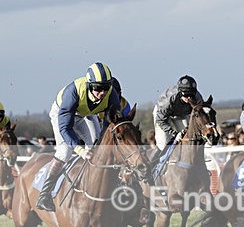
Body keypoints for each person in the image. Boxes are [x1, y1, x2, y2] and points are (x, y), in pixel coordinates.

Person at [36, 62, 130, 211]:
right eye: (98, 88)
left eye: (106, 87)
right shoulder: (72, 92)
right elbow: (65, 128)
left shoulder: (111, 95)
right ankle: (44, 194)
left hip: (86, 114)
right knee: (65, 151)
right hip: (63, 114)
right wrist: (80, 150)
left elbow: (108, 126)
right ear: (89, 85)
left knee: (96, 148)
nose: (102, 92)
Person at [152, 75, 205, 156]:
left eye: (191, 95)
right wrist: (173, 133)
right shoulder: (167, 100)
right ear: (180, 92)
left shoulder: (197, 98)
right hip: (163, 116)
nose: (189, 99)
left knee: (188, 138)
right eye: (186, 95)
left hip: (181, 114)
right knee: (163, 144)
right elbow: (161, 120)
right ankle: (153, 165)